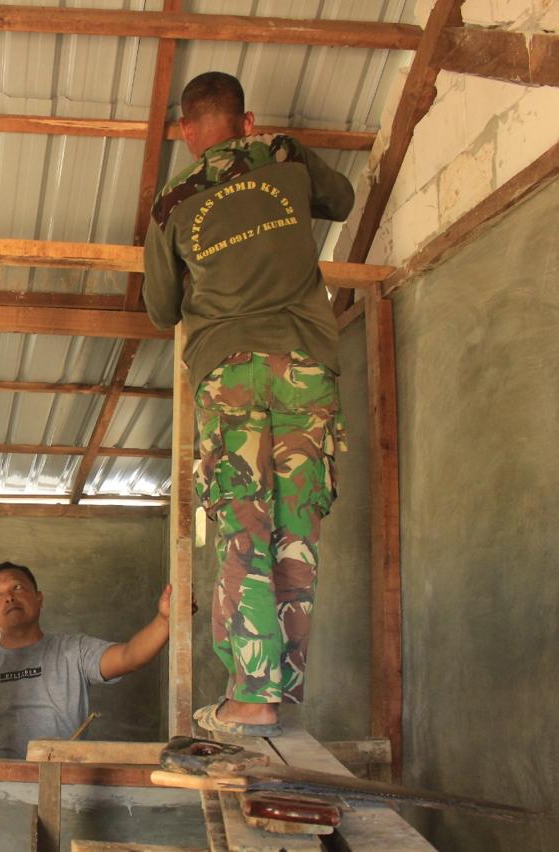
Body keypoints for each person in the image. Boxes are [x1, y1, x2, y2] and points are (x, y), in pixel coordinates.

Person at [142, 71, 354, 737]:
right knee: (296, 528)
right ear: (247, 120)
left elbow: (160, 310)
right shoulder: (283, 155)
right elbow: (342, 200)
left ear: (185, 132)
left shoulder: (173, 201)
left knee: (244, 526)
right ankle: (276, 690)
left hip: (230, 371)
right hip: (304, 365)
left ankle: (252, 693)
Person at [0, 561, 171, 759]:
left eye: (18, 587)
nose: (9, 598)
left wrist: (165, 619)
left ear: (39, 599)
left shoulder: (74, 650)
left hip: (59, 776)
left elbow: (129, 657)